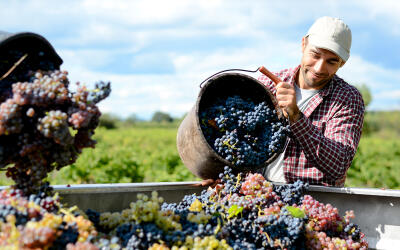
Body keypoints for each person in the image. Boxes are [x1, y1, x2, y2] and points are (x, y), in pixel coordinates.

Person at [257, 16, 364, 187]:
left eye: (332, 61)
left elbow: (339, 164)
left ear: (342, 63)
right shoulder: (269, 84)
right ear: (303, 45)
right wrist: (214, 170)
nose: (319, 68)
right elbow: (236, 137)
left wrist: (296, 117)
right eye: (315, 55)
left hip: (310, 202)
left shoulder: (347, 98)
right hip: (257, 195)